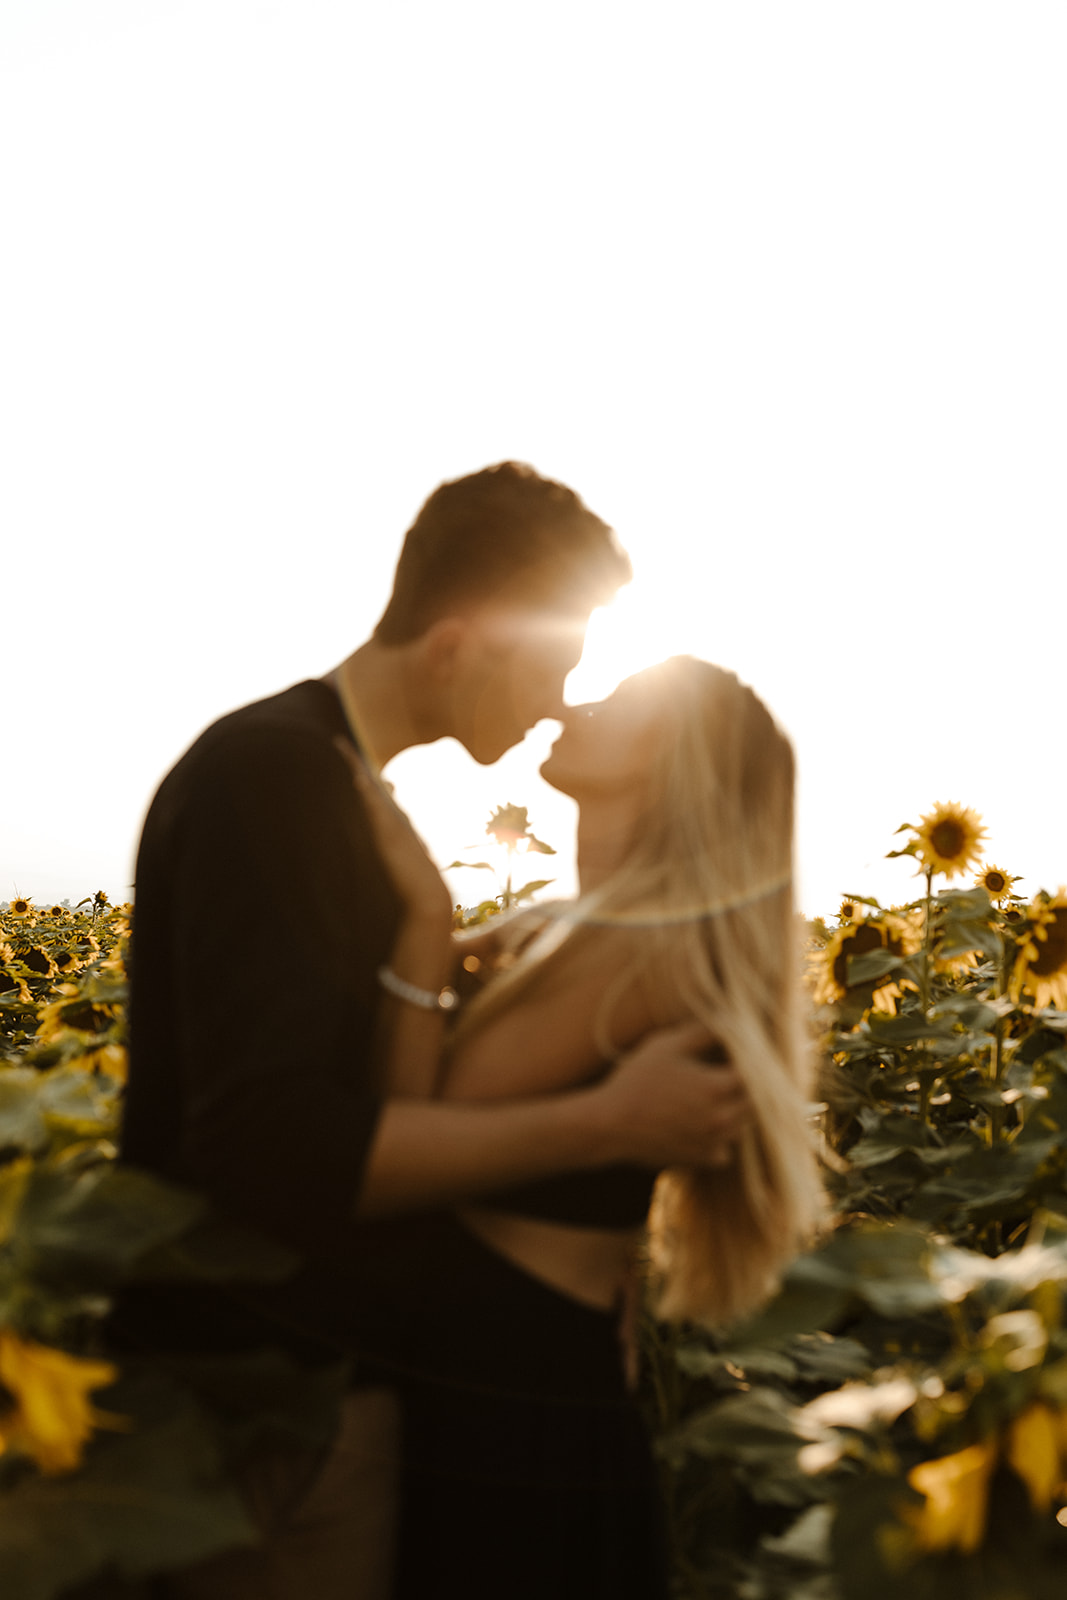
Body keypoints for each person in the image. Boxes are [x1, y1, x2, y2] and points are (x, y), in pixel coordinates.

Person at [116, 463, 752, 1600]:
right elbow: (274, 1144)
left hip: (321, 1396)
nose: (560, 697)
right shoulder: (274, 778)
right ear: (459, 644)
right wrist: (598, 1125)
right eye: (555, 658)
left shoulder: (332, 786)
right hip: (261, 1412)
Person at [340, 654, 825, 1599]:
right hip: (538, 1376)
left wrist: (419, 932)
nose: (570, 700)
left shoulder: (629, 950)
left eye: (615, 701)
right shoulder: (598, 929)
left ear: (666, 763)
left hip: (499, 1399)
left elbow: (402, 1142)